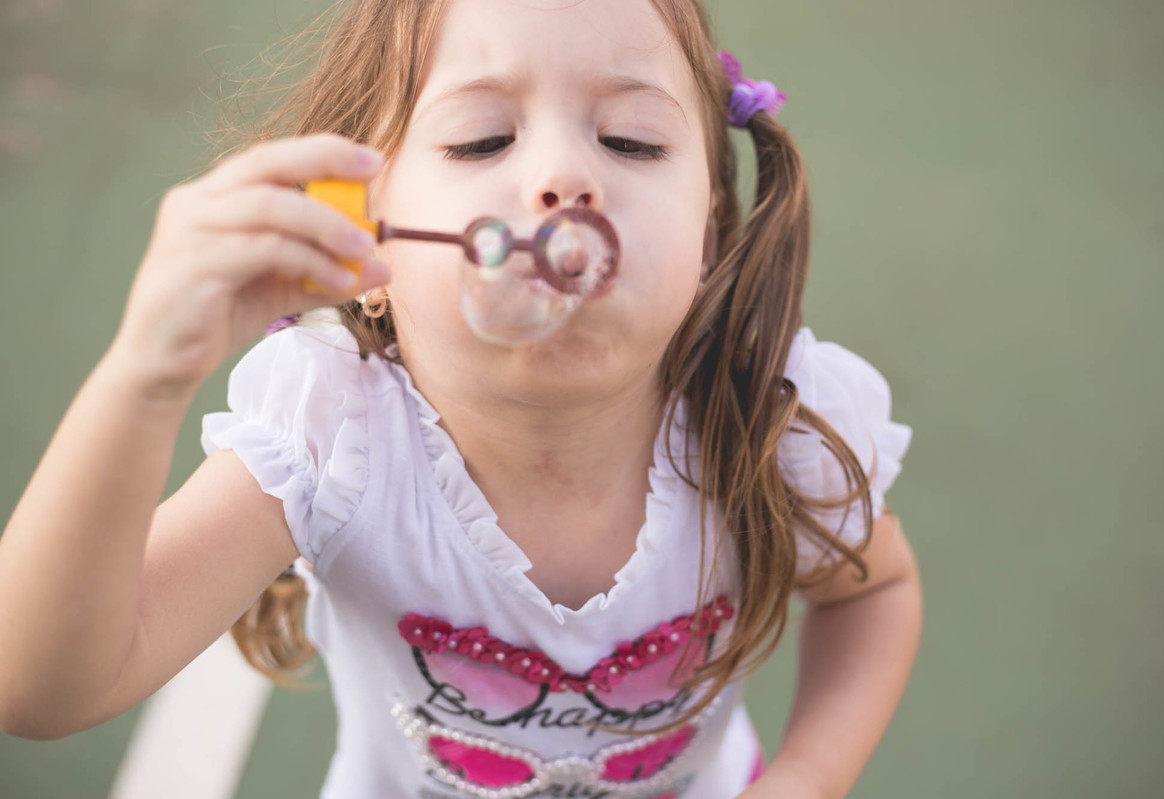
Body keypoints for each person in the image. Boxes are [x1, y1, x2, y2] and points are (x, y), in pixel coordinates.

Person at [0, 1, 922, 797]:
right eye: (481, 138)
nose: (565, 179)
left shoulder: (772, 416)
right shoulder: (332, 437)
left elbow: (873, 592)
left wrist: (806, 778)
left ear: (711, 229)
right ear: (362, 239)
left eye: (631, 140)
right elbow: (38, 689)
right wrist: (143, 380)